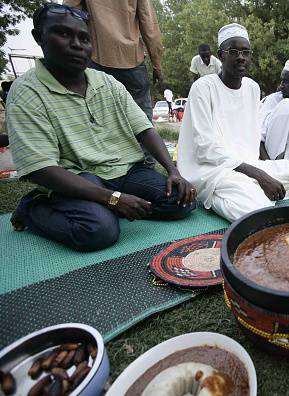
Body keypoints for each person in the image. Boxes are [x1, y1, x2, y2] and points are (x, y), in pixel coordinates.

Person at [6, 4, 196, 251]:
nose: (77, 44)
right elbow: (40, 169)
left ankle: (99, 208)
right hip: (80, 177)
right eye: (64, 34)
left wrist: (173, 170)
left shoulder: (106, 81)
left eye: (84, 38)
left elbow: (144, 129)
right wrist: (112, 199)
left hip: (127, 172)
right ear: (39, 37)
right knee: (99, 231)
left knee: (183, 201)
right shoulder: (26, 92)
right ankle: (33, 208)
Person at [177, 23, 289, 221]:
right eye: (233, 51)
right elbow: (206, 148)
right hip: (215, 170)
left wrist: (262, 171)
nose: (241, 57)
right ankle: (236, 195)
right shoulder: (203, 88)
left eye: (245, 52)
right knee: (255, 210)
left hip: (250, 166)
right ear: (221, 55)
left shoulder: (252, 88)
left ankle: (253, 190)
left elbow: (253, 139)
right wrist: (259, 175)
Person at [64, 0, 163, 166]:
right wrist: (157, 64)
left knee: (98, 120)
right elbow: (149, 25)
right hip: (131, 59)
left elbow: (69, 13)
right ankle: (146, 168)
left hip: (97, 56)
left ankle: (106, 167)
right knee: (142, 121)